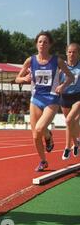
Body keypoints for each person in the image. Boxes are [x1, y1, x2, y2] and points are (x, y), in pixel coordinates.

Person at [15, 31, 74, 171]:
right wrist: (24, 79)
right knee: (35, 136)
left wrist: (63, 85)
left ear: (50, 45)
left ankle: (48, 136)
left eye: (45, 42)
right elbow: (17, 78)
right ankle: (43, 161)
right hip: (35, 99)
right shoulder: (30, 61)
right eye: (40, 41)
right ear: (36, 44)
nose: (42, 44)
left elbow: (70, 77)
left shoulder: (57, 61)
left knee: (40, 128)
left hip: (51, 99)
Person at [59, 43, 80, 160]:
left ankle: (67, 148)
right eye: (70, 52)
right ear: (66, 53)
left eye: (74, 52)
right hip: (65, 97)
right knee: (70, 123)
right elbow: (55, 81)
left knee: (68, 120)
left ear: (78, 54)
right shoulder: (62, 67)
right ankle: (76, 144)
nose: (72, 54)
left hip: (78, 97)